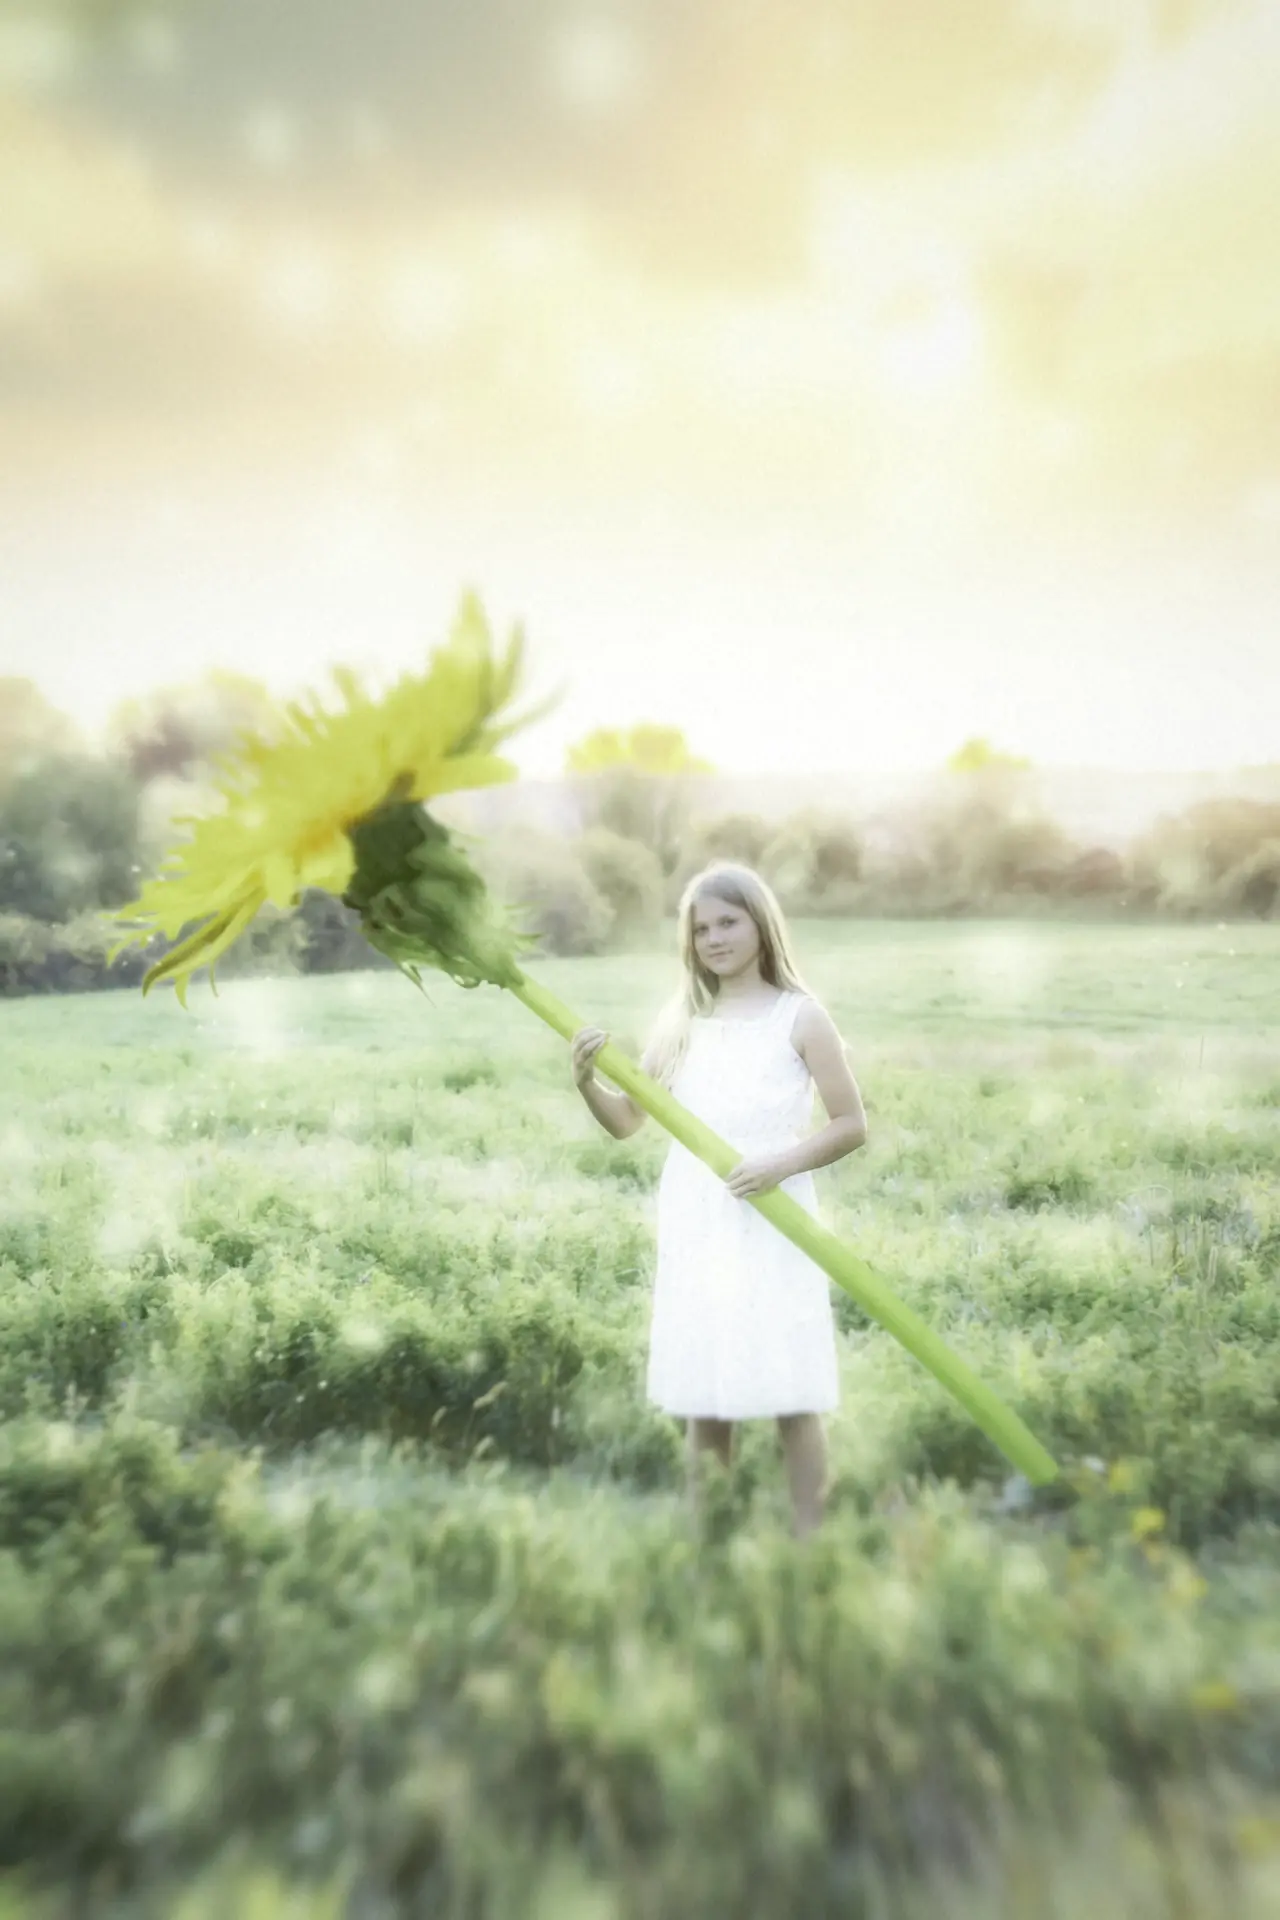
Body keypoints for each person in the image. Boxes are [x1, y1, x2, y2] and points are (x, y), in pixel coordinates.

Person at [571, 861, 867, 1539]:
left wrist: (779, 1164)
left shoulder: (801, 1017)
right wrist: (587, 1082)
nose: (714, 938)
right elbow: (626, 1122)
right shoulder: (682, 1022)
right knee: (707, 1393)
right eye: (700, 928)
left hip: (776, 1212)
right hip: (699, 1214)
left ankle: (809, 1543)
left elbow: (851, 1124)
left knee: (793, 1391)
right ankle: (711, 1540)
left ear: (761, 924)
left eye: (728, 921)